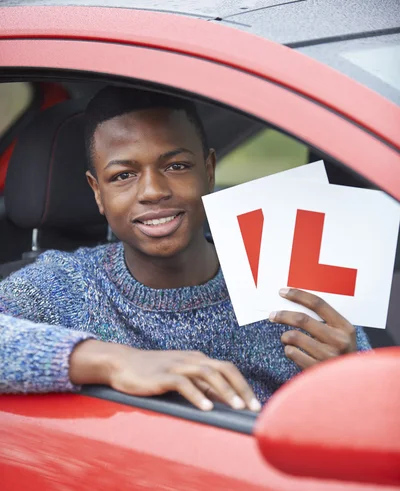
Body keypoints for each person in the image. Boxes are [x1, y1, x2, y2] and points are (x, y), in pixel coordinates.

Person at [0, 86, 370, 411]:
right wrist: (113, 361)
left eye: (176, 166)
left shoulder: (288, 272)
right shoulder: (66, 286)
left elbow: (372, 421)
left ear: (208, 170)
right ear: (97, 191)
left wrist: (351, 378)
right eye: (123, 176)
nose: (152, 191)